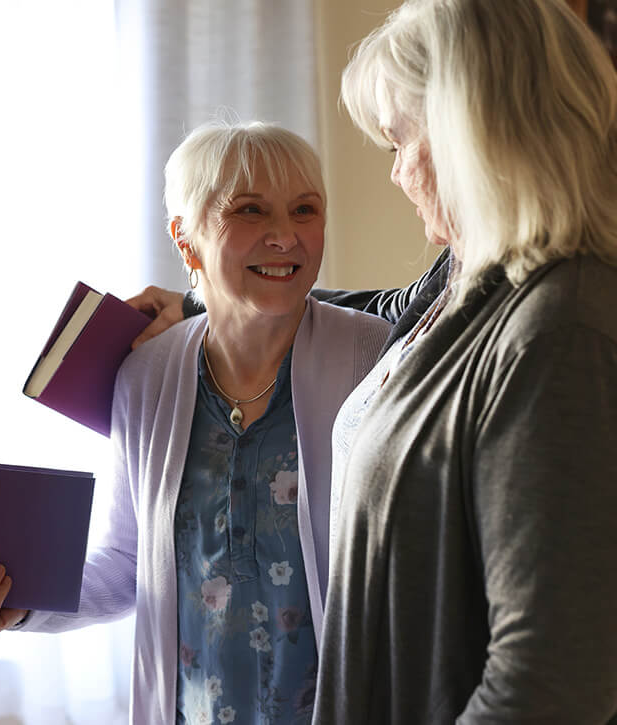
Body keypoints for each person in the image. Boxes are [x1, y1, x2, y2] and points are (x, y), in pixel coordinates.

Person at [129, 1, 617, 722]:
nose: (393, 174)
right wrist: (207, 302)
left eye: (398, 141)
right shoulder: (467, 288)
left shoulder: (560, 331)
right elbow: (346, 302)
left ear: (469, 134)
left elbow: (549, 678)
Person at [0, 121, 391, 724]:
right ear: (185, 239)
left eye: (305, 210)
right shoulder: (145, 376)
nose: (285, 236)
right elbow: (125, 567)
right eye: (250, 211)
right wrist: (18, 603)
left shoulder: (372, 355)